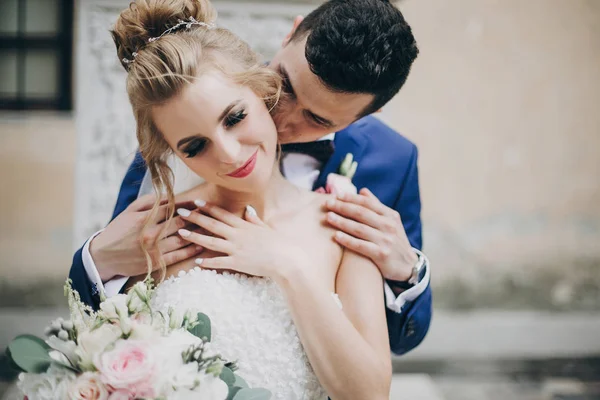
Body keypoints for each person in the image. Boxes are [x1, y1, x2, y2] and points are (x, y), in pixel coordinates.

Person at [69, 0, 431, 357]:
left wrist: (407, 273)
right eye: (286, 84)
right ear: (290, 33)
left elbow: (400, 344)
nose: (282, 116)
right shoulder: (193, 99)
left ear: (369, 113)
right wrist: (98, 260)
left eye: (318, 119)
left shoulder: (392, 160)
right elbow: (112, 302)